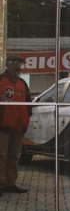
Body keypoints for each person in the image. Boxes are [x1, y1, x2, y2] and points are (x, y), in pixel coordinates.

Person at [0, 55, 32, 194]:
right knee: (1, 155)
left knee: (14, 155)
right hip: (3, 124)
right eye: (13, 62)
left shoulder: (22, 83)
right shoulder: (1, 80)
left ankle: (10, 182)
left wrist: (26, 118)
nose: (16, 65)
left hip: (19, 125)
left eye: (18, 63)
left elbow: (28, 103)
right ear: (7, 64)